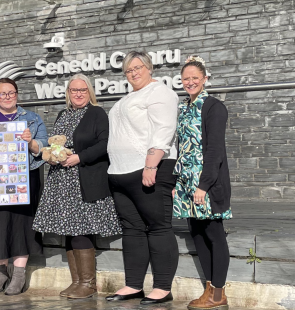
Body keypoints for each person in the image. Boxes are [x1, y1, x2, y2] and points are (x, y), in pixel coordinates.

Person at [32, 74, 122, 299]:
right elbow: (56, 143)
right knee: (69, 232)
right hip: (61, 181)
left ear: (89, 92)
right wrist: (51, 155)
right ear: (68, 93)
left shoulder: (97, 113)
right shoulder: (63, 114)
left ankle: (88, 284)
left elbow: (104, 144)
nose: (78, 94)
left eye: (83, 90)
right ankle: (76, 281)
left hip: (83, 180)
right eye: (74, 90)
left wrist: (79, 157)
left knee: (81, 229)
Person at [106, 51, 180, 305]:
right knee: (133, 229)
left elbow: (164, 129)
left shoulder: (160, 92)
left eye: (138, 67)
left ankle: (162, 287)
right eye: (129, 70)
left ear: (149, 68)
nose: (134, 73)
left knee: (158, 227)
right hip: (120, 172)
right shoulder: (128, 97)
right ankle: (134, 284)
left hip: (148, 169)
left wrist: (151, 164)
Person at [0, 78, 47, 296]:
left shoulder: (32, 119)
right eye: (2, 94)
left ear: (17, 94)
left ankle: (18, 275)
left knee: (21, 226)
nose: (7, 97)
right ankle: (1, 273)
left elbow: (43, 149)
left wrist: (30, 142)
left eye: (11, 93)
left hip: (22, 181)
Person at [173, 56, 231, 310]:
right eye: (186, 78)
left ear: (205, 79)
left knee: (213, 233)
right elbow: (181, 147)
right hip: (186, 183)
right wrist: (178, 181)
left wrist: (203, 185)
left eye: (196, 77)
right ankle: (209, 288)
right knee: (196, 233)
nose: (191, 82)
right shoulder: (185, 107)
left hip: (206, 183)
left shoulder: (214, 107)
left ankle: (218, 293)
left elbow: (215, 151)